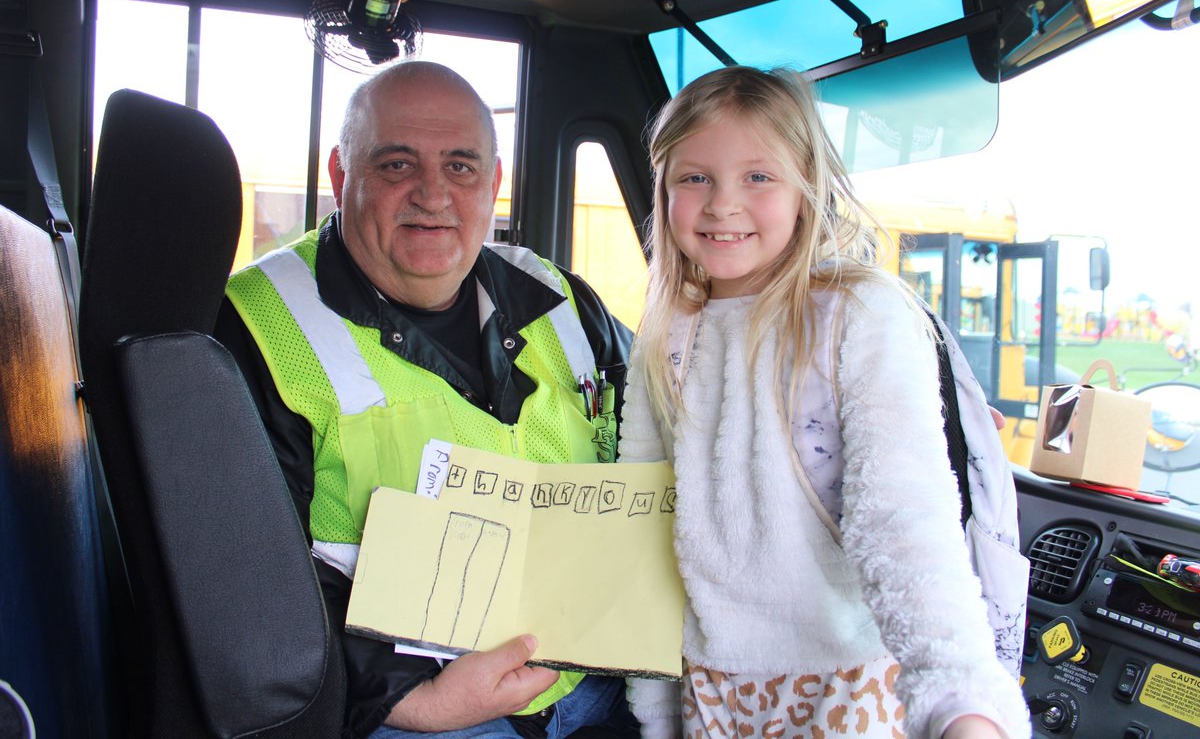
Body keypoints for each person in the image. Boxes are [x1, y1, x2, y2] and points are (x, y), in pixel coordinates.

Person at [214, 60, 635, 739]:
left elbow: (662, 436)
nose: (433, 195)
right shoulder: (259, 327)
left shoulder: (562, 300)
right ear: (342, 175)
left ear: (493, 183)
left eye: (462, 167)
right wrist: (412, 703)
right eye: (396, 165)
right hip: (417, 704)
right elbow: (241, 580)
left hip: (598, 678)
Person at [617, 66, 1032, 739]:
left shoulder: (860, 314)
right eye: (694, 178)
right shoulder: (664, 334)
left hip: (853, 683)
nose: (723, 204)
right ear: (663, 187)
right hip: (712, 688)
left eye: (758, 177)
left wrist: (961, 699)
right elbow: (644, 516)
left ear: (807, 187)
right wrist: (655, 703)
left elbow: (904, 516)